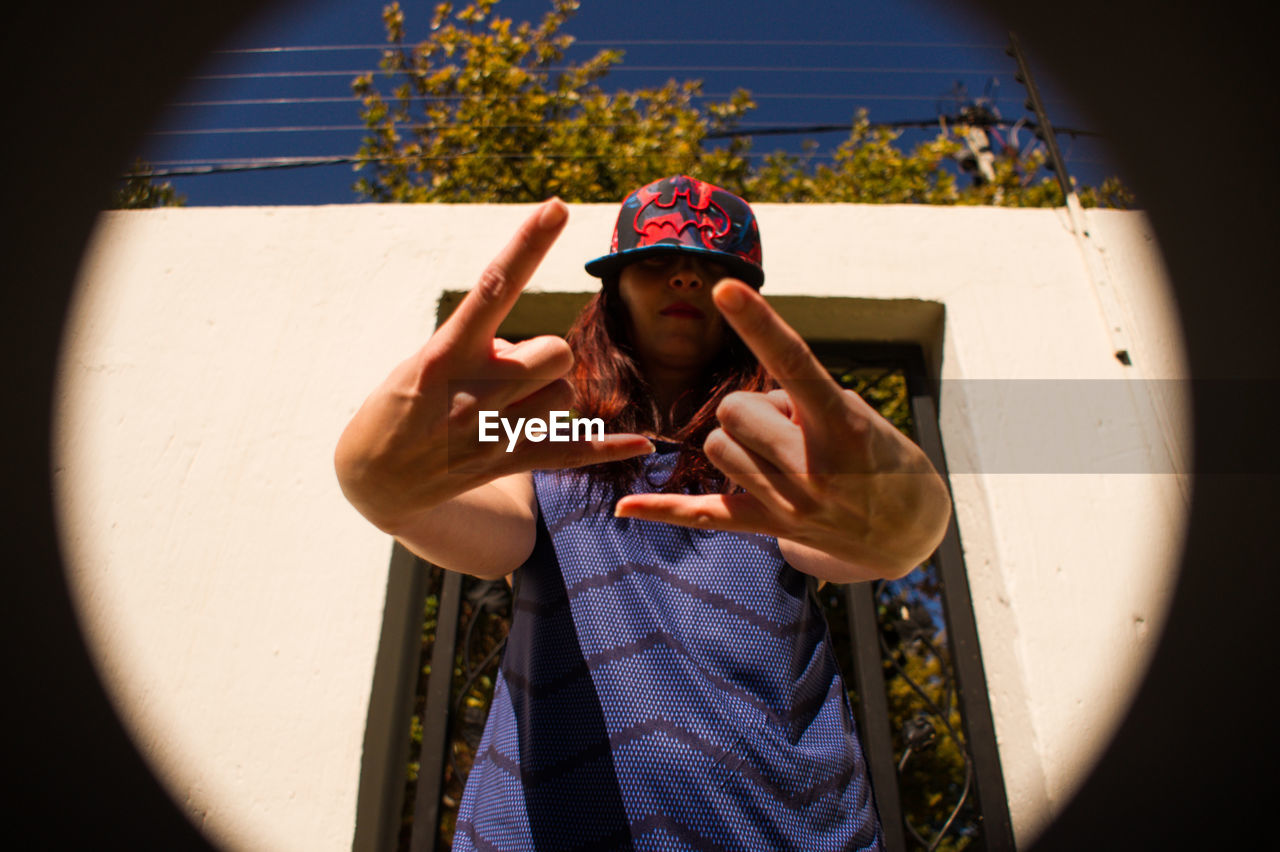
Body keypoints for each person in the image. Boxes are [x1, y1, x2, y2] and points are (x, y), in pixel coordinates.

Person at [335, 175, 952, 850]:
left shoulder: (777, 460)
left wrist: (915, 522)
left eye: (711, 267)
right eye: (657, 260)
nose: (684, 278)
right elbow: (488, 527)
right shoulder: (544, 445)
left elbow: (859, 542)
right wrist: (378, 483)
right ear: (613, 290)